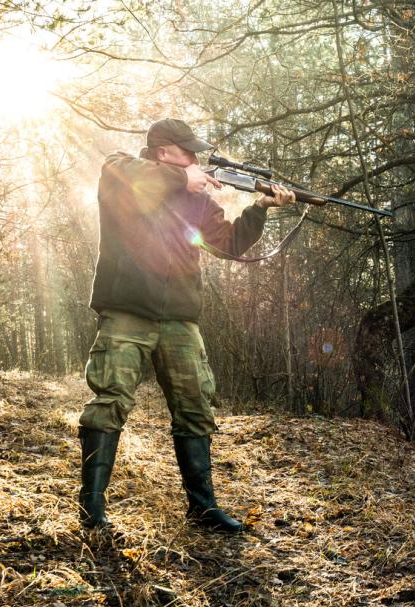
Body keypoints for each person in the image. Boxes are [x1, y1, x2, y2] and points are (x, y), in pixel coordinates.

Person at [76, 118, 295, 533]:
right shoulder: (121, 171)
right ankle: (92, 512)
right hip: (127, 309)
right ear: (163, 152)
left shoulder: (196, 197)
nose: (195, 159)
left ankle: (202, 508)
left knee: (195, 406)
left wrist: (260, 208)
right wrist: (183, 178)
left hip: (179, 317)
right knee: (110, 402)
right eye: (187, 153)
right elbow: (123, 175)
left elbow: (227, 243)